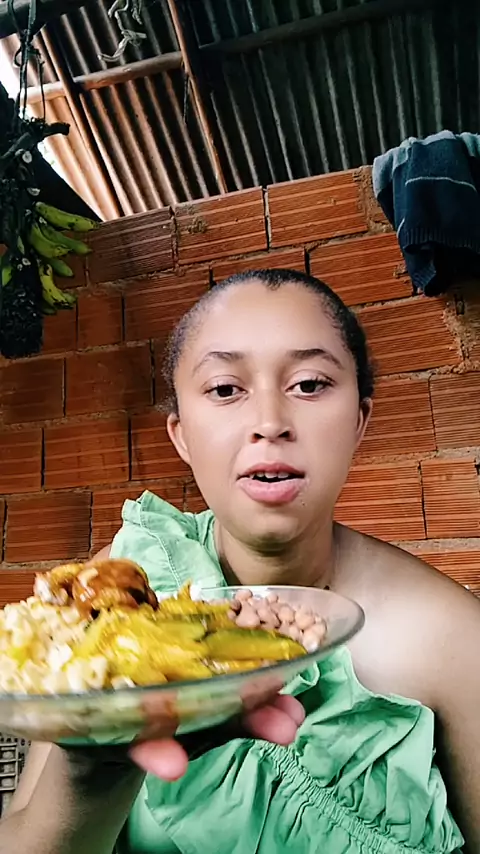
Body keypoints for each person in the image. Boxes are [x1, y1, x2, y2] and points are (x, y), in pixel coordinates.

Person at [1, 268, 479, 854]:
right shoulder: (119, 591)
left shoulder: (454, 638)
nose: (269, 422)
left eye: (309, 384)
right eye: (226, 389)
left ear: (359, 421)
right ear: (181, 435)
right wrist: (92, 772)